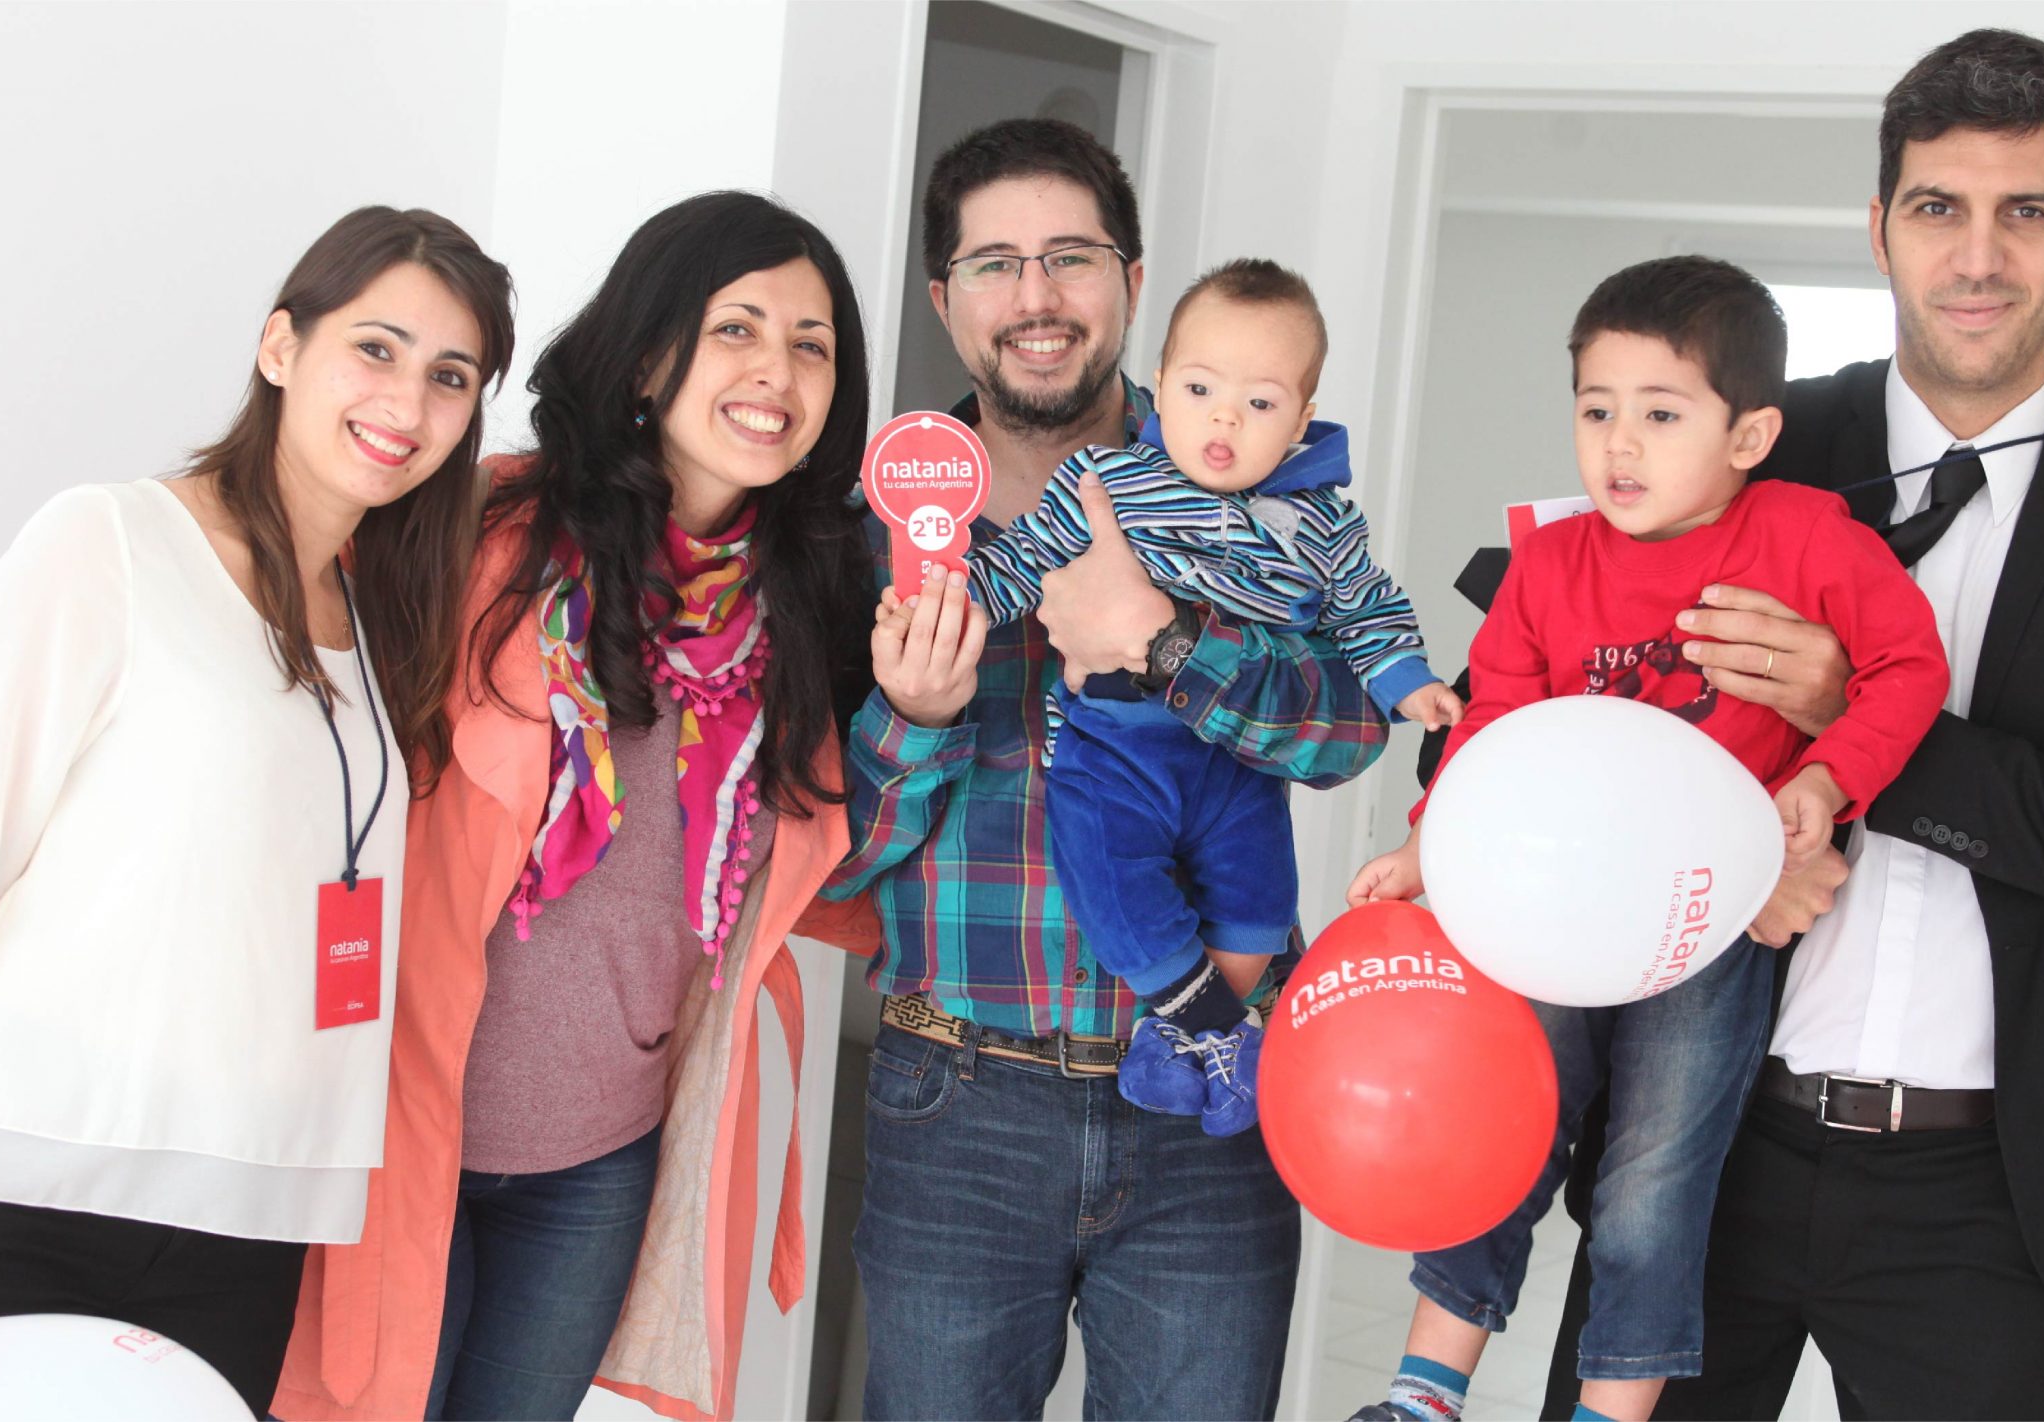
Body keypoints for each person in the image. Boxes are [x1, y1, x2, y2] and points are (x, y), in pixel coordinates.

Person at [1539, 30, 2044, 1420]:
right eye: (1940, 208)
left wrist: (1865, 727)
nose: (1979, 257)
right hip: (1702, 1143)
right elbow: (1535, 708)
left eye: (2031, 212)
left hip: (1998, 1195)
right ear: (1880, 226)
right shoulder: (1733, 429)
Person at [0, 206, 514, 1416]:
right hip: (27, 1191)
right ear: (281, 347)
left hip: (248, 1221)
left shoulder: (378, 621)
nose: (409, 404)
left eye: (451, 377)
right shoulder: (107, 542)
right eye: (374, 350)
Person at [819, 117, 1391, 1420]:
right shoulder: (867, 538)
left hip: (1213, 1091)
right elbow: (831, 850)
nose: (1036, 296)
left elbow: (1349, 730)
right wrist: (914, 713)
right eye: (995, 263)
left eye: (1071, 256)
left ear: (1133, 281)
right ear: (944, 301)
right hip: (954, 1103)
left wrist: (1169, 639)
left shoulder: (1252, 484)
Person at [270, 192, 874, 1422]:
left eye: (811, 345)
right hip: (403, 1129)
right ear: (649, 355)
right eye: (738, 329)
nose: (777, 372)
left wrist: (920, 715)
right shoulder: (486, 533)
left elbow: (837, 886)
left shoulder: (810, 612)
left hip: (594, 1160)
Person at [1346, 257, 1949, 1422]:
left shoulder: (1806, 537)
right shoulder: (1551, 563)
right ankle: (1424, 1391)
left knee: (1652, 1184)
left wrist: (1828, 780)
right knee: (1503, 1134)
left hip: (1702, 923)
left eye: (1660, 415)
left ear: (1750, 432)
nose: (1620, 444)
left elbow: (1907, 668)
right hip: (1553, 913)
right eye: (1596, 410)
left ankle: (1610, 1413)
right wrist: (1432, 849)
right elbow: (1493, 727)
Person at [956, 257, 1458, 1133]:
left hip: (1237, 760)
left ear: (1302, 420)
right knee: (1108, 877)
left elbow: (1366, 608)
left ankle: (1184, 1037)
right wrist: (955, 604)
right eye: (1199, 388)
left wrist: (1408, 682)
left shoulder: (1323, 524)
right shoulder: (1109, 483)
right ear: (1159, 386)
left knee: (1258, 894)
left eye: (1260, 403)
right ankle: (1218, 1032)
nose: (1224, 416)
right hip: (1117, 741)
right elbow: (1022, 556)